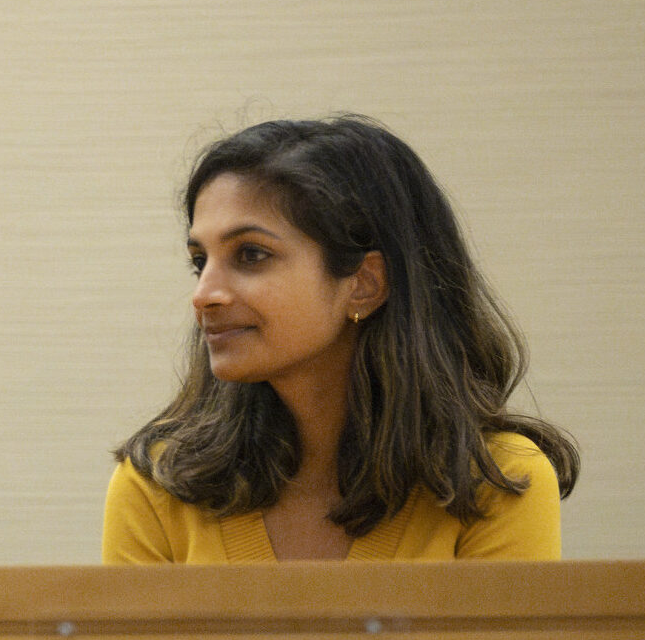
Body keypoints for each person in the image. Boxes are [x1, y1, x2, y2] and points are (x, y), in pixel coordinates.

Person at [104, 116, 578, 563]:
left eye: (250, 255)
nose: (203, 294)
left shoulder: (497, 481)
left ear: (365, 284)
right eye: (199, 261)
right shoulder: (158, 486)